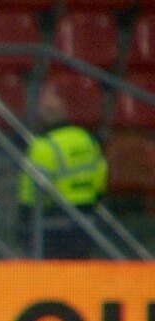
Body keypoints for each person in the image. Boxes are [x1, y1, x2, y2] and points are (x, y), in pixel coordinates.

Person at [17, 81, 107, 259]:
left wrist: (22, 220)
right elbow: (101, 175)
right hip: (86, 221)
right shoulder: (86, 139)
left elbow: (32, 195)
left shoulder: (42, 147)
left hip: (52, 227)